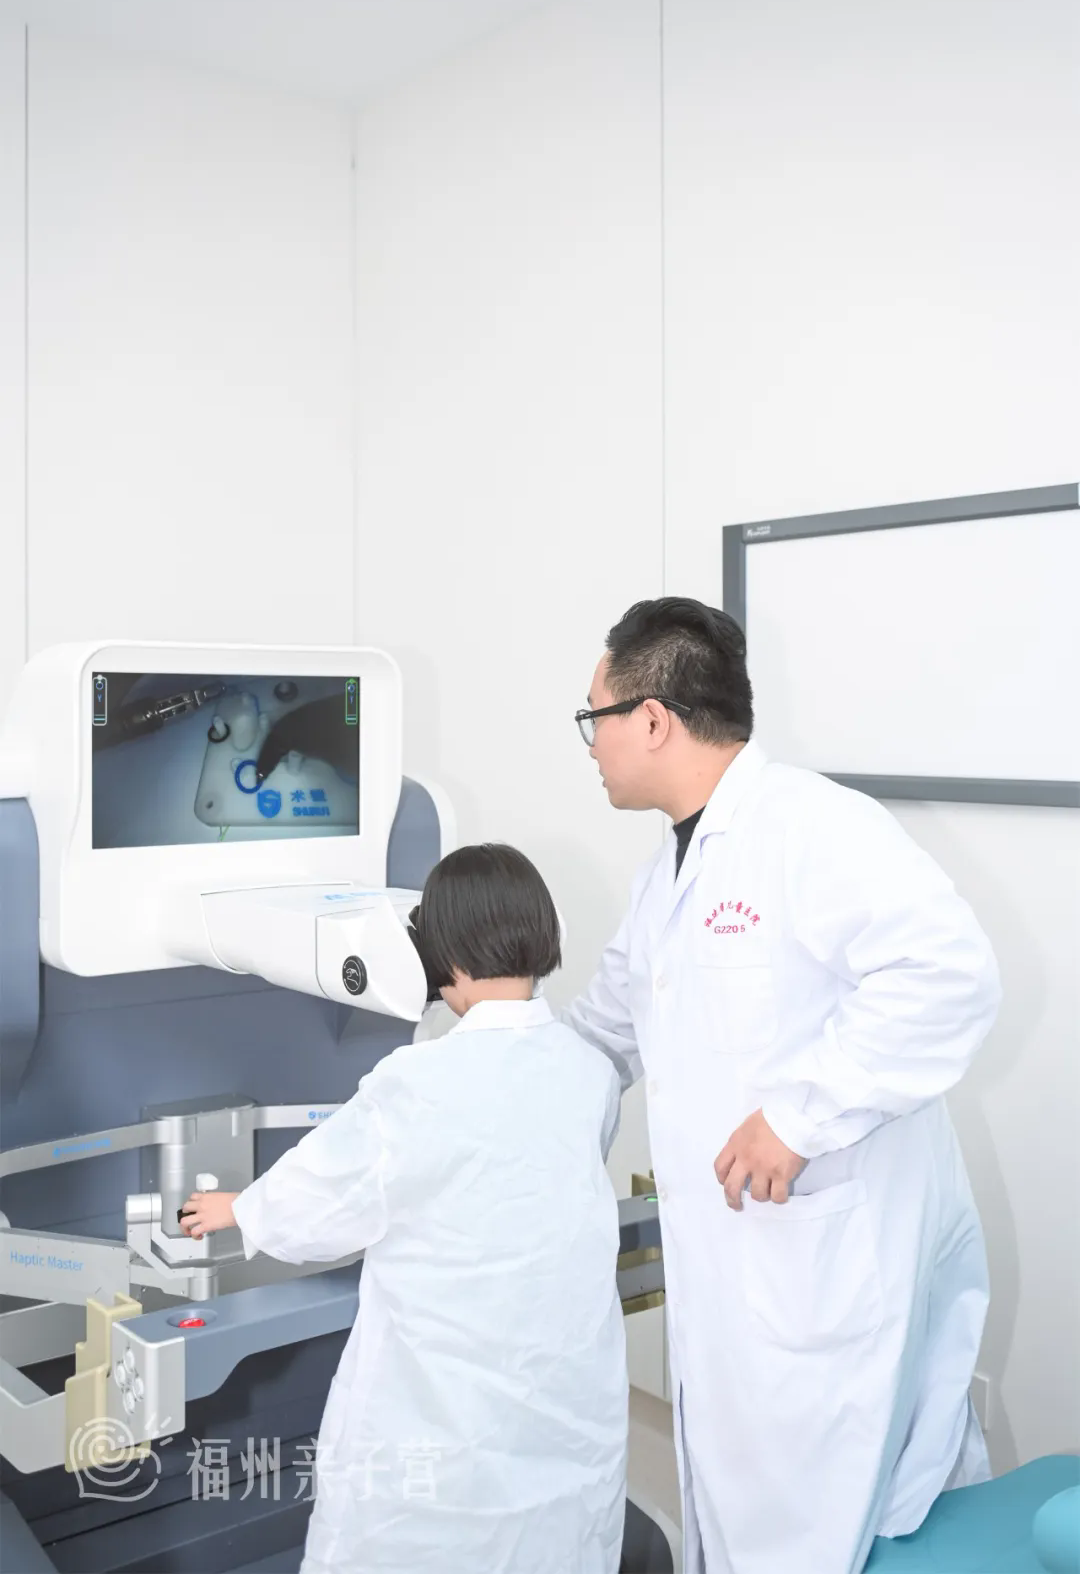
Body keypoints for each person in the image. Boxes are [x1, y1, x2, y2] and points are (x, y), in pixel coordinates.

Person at [562, 597, 1001, 1574]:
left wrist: (798, 1119)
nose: (590, 745)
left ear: (652, 719)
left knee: (847, 1516)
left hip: (825, 1261)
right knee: (765, 1510)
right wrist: (490, 1083)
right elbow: (602, 1032)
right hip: (745, 1270)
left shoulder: (814, 828)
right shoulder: (663, 879)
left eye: (594, 717)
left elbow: (949, 976)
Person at [181, 843, 628, 1574]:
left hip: (441, 1419)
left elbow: (323, 1201)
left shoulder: (418, 1081)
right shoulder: (589, 1070)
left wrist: (240, 1208)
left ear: (443, 954)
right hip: (561, 1404)